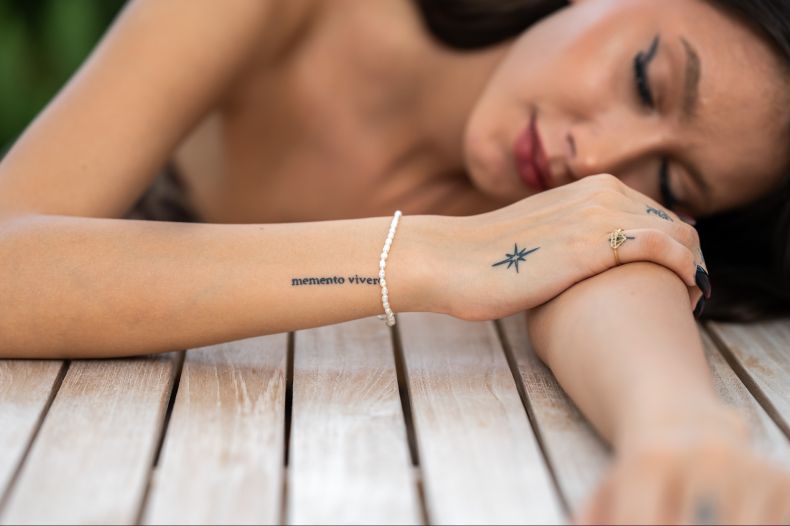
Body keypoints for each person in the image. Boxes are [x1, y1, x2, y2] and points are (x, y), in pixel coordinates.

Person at [0, 0, 787, 522]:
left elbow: (626, 256)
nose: (601, 158)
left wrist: (679, 434)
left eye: (669, 180)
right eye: (647, 80)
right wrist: (434, 254)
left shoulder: (567, 198)